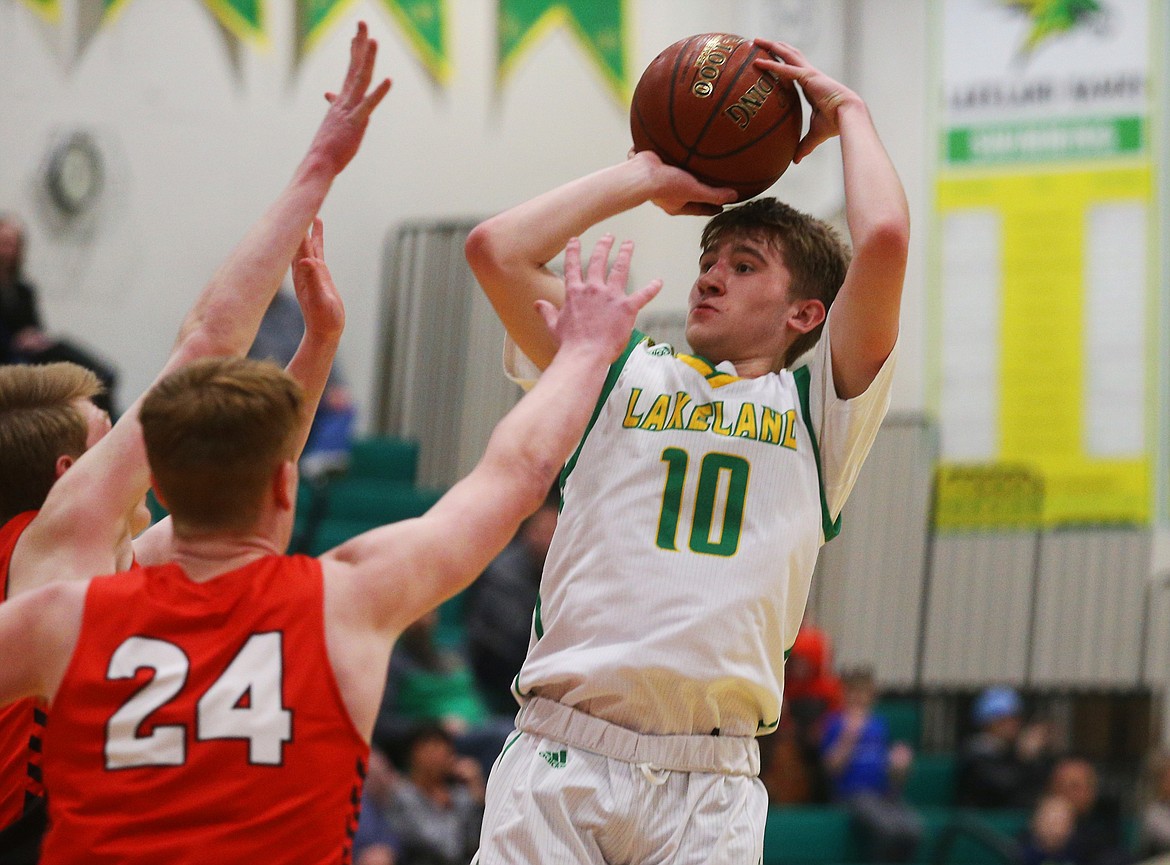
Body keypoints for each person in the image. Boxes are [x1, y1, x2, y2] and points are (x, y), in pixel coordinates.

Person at [0, 234, 660, 862]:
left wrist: (318, 341)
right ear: (286, 485)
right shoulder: (347, 600)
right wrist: (583, 354)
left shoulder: (62, 616)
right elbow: (516, 476)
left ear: (163, 485)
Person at [464, 37, 908, 864]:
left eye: (744, 266)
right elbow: (497, 249)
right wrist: (646, 176)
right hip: (567, 753)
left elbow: (881, 238)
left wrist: (850, 112)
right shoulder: (613, 369)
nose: (710, 277)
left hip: (714, 781)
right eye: (709, 260)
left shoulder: (819, 413)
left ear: (808, 313)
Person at [0, 22, 390, 862]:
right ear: (71, 477)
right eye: (111, 437)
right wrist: (318, 165)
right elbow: (208, 342)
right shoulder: (55, 548)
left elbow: (249, 478)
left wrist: (317, 346)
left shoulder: (95, 562)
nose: (141, 445)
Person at [0, 214, 120, 414]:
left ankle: (101, 380)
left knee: (62, 346)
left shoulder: (23, 290)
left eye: (12, 244)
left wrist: (33, 338)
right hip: (11, 355)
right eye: (4, 243)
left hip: (31, 352)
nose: (7, 251)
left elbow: (36, 327)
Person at [463, 485, 558, 717]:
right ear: (528, 532)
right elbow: (503, 636)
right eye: (542, 531)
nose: (546, 540)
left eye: (553, 532)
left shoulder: (565, 571)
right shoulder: (503, 573)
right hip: (497, 668)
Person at [249, 284, 357, 479]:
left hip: (300, 386)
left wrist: (336, 386)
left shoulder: (295, 308)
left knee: (343, 406)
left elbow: (324, 346)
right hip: (262, 390)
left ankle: (322, 459)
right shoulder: (244, 310)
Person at [820, 667, 922, 863]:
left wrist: (898, 764)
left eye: (864, 693)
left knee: (913, 830)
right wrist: (848, 737)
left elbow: (892, 775)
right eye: (853, 692)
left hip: (883, 794)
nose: (858, 699)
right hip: (853, 795)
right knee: (888, 829)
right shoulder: (835, 723)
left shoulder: (878, 724)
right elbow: (831, 768)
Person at [381, 723, 486, 865]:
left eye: (444, 749)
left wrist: (479, 796)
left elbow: (481, 844)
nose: (439, 756)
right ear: (413, 755)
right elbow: (448, 850)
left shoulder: (460, 793)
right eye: (431, 749)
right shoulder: (402, 795)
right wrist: (449, 808)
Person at [957, 685, 1056, 809]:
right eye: (1004, 720)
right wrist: (1024, 757)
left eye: (1015, 719)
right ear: (988, 721)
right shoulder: (975, 753)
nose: (1013, 725)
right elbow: (1003, 787)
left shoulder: (1010, 751)